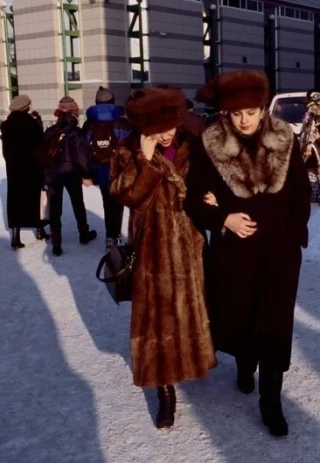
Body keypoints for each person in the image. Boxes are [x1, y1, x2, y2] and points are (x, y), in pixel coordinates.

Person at [186, 70, 311, 437]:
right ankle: (244, 361)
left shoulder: (284, 138)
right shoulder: (210, 143)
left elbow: (301, 190)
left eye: (251, 112)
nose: (244, 120)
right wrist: (223, 217)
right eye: (237, 113)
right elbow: (194, 197)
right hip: (235, 252)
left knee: (276, 325)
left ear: (262, 108)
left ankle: (271, 401)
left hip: (279, 250)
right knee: (240, 317)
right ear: (226, 111)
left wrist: (294, 235)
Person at [110, 86, 217, 429]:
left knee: (190, 310)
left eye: (171, 124)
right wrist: (144, 161)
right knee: (157, 322)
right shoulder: (128, 151)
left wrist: (212, 195)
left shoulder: (191, 145)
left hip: (188, 243)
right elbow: (127, 197)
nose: (168, 133)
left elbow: (209, 181)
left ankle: (194, 362)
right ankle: (165, 391)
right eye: (159, 128)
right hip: (153, 249)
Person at [42, 96, 97, 256]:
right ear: (74, 113)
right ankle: (83, 234)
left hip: (52, 174)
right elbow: (82, 157)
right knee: (78, 203)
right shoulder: (76, 133)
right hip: (72, 172)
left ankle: (56, 243)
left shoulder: (50, 131)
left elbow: (43, 154)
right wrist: (87, 174)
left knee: (55, 207)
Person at [83, 87, 130, 250]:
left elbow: (84, 149)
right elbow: (130, 146)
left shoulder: (89, 124)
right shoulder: (122, 122)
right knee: (119, 203)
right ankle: (116, 236)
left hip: (100, 169)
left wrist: (87, 173)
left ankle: (110, 237)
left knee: (107, 203)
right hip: (120, 169)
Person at [0, 95, 49, 249]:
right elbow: (38, 146)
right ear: (26, 107)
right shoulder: (31, 124)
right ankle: (40, 230)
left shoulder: (6, 125)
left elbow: (6, 150)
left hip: (14, 169)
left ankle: (16, 237)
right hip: (32, 168)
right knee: (36, 199)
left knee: (15, 201)